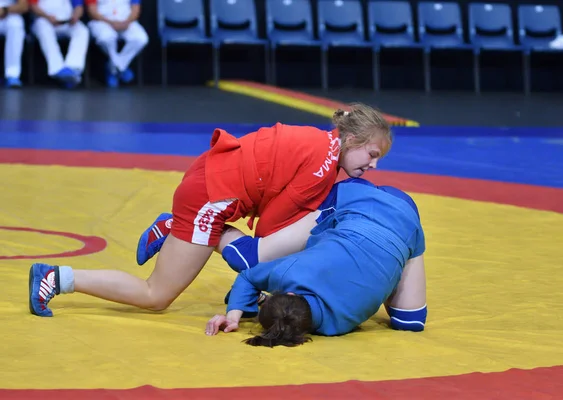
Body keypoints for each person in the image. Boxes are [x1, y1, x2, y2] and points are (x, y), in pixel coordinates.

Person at [28, 104, 392, 317]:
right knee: (157, 295)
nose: (373, 166)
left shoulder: (321, 144)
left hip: (210, 181)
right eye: (372, 155)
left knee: (268, 251)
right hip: (210, 198)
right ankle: (56, 278)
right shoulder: (321, 167)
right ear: (351, 140)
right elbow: (269, 228)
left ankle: (175, 226)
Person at [204, 177, 427, 346]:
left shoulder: (337, 326)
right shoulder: (291, 273)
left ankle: (186, 226)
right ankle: (191, 225)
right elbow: (247, 277)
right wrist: (232, 315)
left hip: (400, 220)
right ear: (290, 294)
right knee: (251, 260)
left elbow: (250, 281)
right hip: (368, 199)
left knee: (410, 322)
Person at [85, 0, 148, 87]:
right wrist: (110, 22)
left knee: (141, 38)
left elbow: (136, 9)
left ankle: (113, 68)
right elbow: (92, 11)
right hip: (102, 21)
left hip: (126, 21)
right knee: (106, 38)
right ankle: (121, 68)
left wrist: (127, 22)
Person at [30, 0, 90, 87]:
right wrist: (47, 16)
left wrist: (76, 16)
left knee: (82, 30)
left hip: (66, 21)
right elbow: (32, 6)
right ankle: (57, 68)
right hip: (44, 20)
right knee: (43, 28)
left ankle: (73, 67)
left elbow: (79, 7)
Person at [0, 0, 27, 88]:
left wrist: (5, 10)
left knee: (16, 24)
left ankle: (12, 74)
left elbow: (24, 6)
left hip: (9, 13)